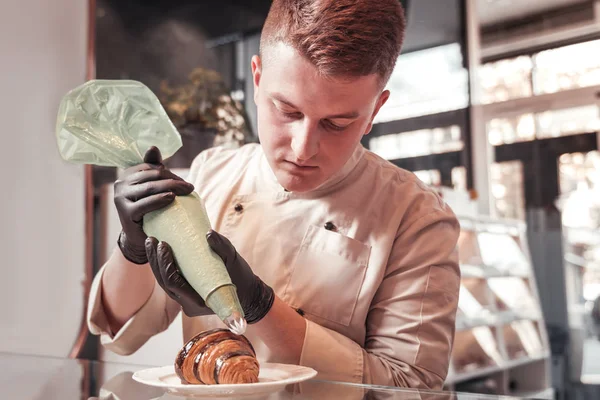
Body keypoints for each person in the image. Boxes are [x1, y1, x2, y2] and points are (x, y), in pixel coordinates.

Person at [87, 0, 461, 390]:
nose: (303, 148)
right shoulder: (212, 174)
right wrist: (131, 250)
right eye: (287, 111)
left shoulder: (417, 218)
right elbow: (124, 334)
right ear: (257, 78)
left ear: (374, 111)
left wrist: (261, 307)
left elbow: (410, 388)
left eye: (336, 124)